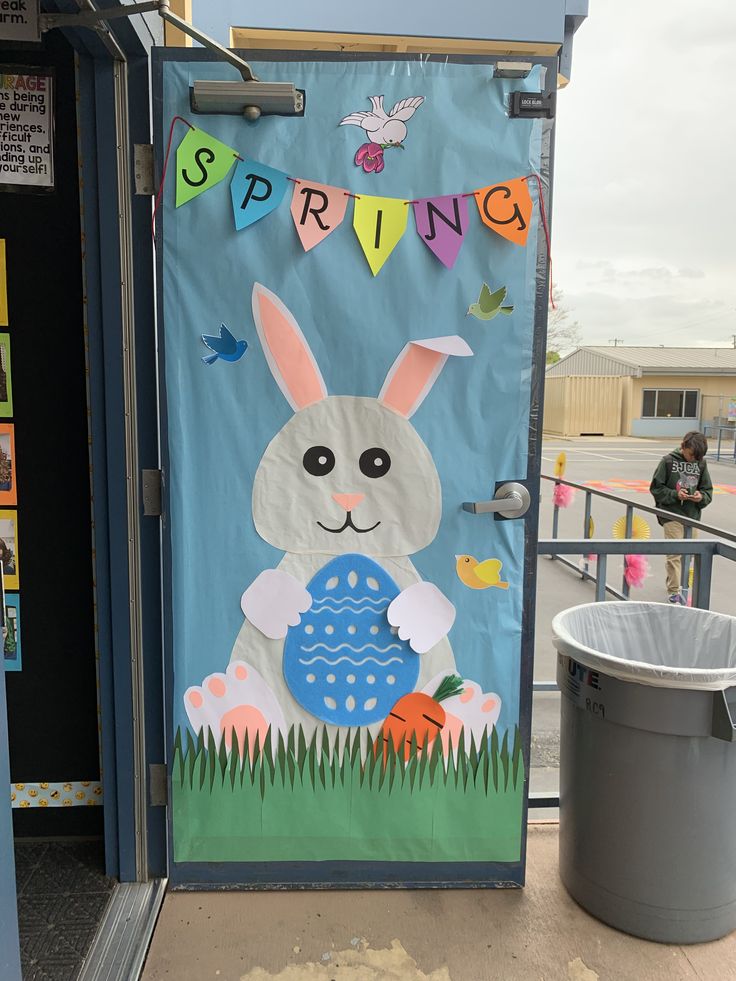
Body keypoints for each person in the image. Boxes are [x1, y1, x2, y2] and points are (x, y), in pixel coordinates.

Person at [650, 431, 713, 604]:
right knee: (675, 553)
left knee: (689, 554)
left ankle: (680, 585)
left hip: (692, 516)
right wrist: (675, 494)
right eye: (691, 455)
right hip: (671, 514)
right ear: (683, 446)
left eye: (697, 457)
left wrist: (701, 497)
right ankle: (674, 592)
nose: (693, 459)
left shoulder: (701, 463)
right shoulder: (668, 461)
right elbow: (656, 488)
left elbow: (708, 490)